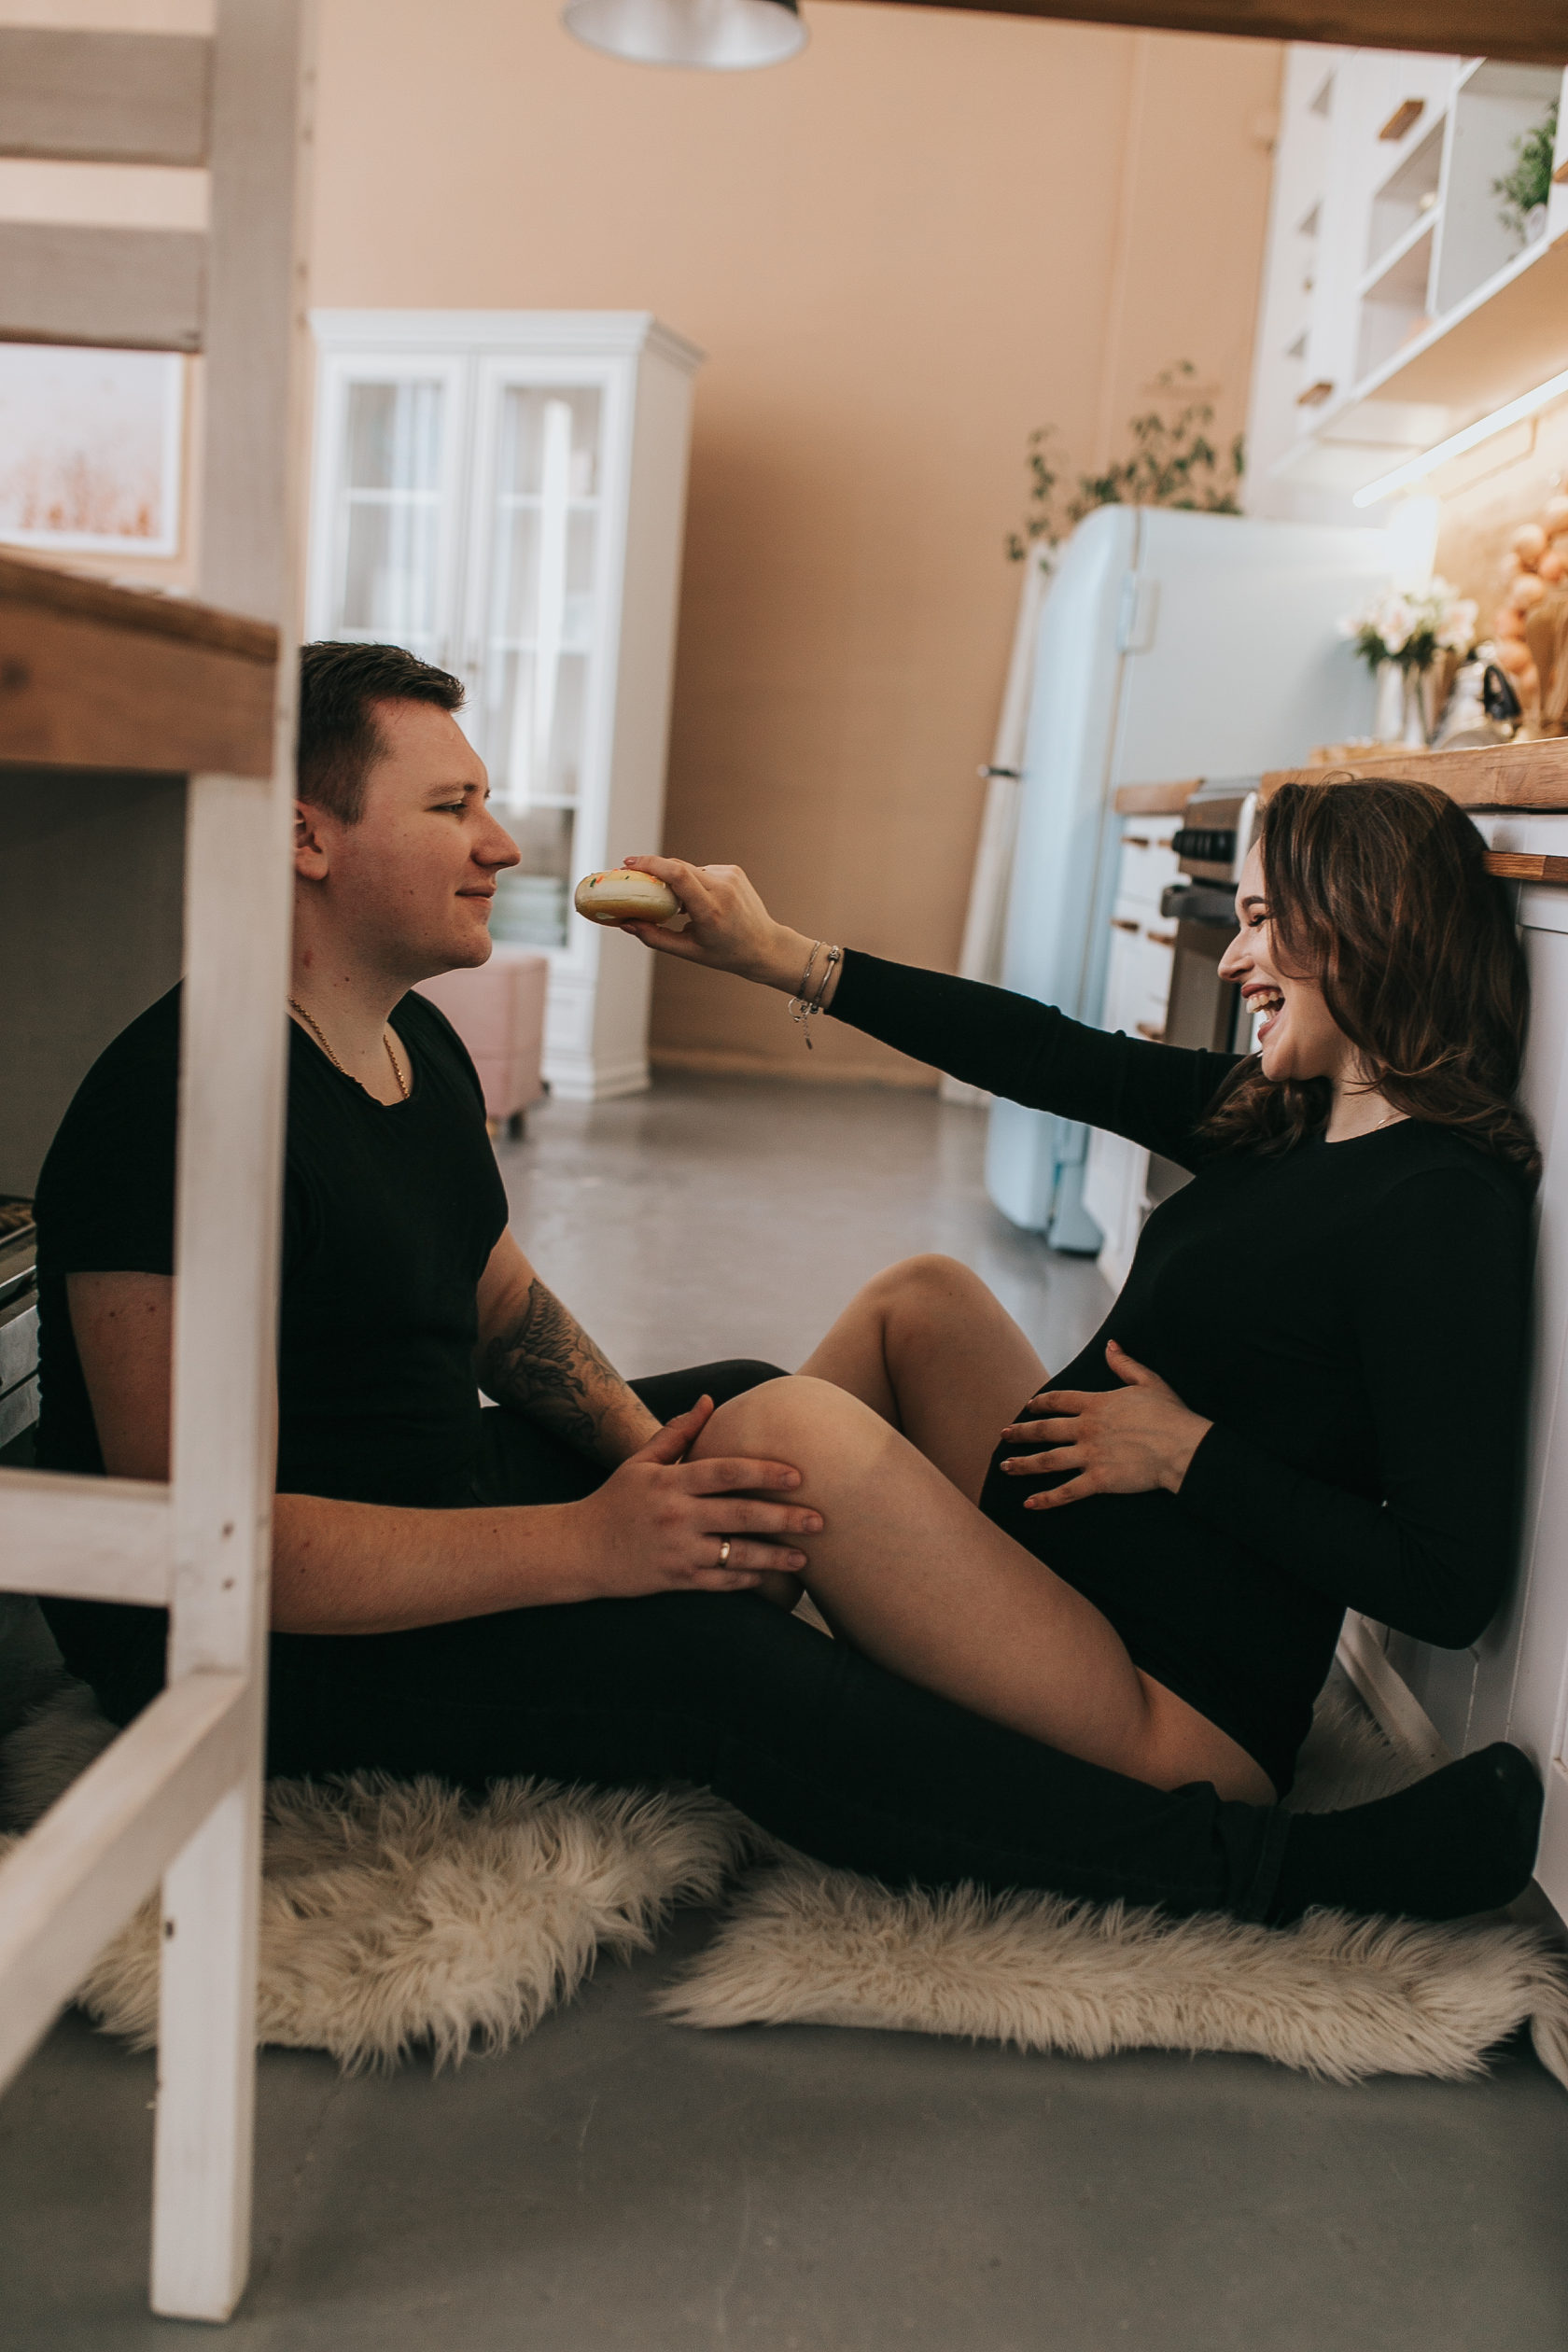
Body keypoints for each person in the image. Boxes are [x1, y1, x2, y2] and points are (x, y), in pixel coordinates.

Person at [30, 650, 1538, 1932]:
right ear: (308, 837)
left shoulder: (408, 1048)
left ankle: (845, 1655)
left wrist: (656, 1476)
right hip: (259, 1638)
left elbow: (497, 1314)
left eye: (485, 801)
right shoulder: (182, 1104)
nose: (503, 843)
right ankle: (1262, 1868)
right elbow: (207, 1548)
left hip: (420, 1491)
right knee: (716, 1631)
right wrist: (591, 1546)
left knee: (750, 1430)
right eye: (453, 807)